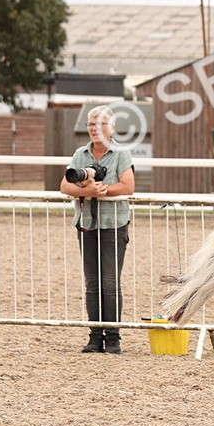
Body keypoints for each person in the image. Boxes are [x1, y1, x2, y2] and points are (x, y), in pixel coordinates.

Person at [61, 105, 136, 354]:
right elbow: (64, 185)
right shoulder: (80, 154)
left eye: (99, 124)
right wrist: (87, 191)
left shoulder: (121, 154)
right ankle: (95, 336)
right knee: (92, 283)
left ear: (111, 128)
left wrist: (101, 191)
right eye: (90, 124)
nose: (94, 128)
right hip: (87, 226)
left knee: (110, 282)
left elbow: (127, 186)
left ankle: (113, 337)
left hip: (114, 224)